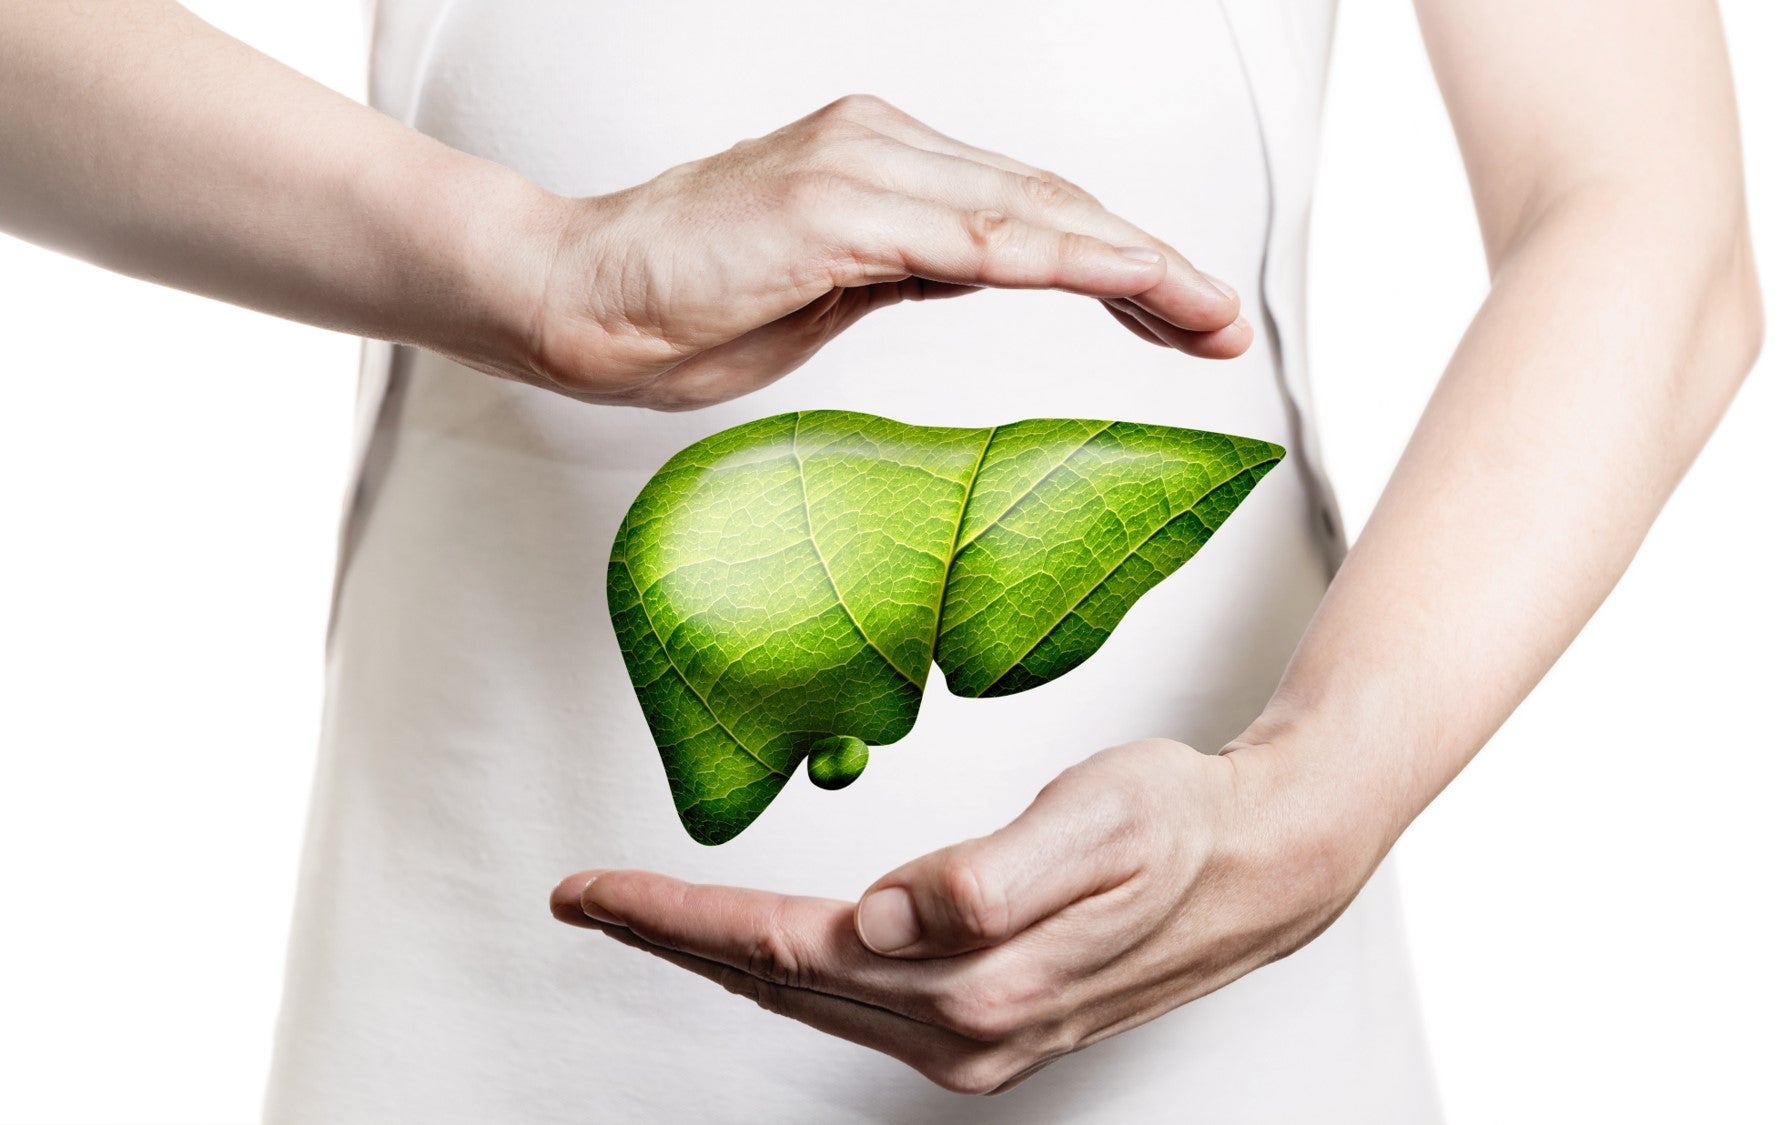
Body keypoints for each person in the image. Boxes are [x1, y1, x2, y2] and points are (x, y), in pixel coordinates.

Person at [0, 1, 1762, 1121]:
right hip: (475, 1040)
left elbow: (1644, 215)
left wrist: (1316, 797)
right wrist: (535, 264)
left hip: (1220, 1056)